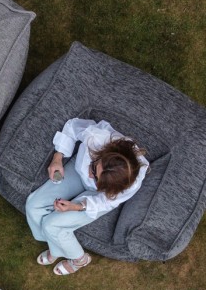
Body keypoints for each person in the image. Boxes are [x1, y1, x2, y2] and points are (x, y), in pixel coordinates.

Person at [26, 118, 150, 275]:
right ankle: (56, 249)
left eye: (97, 178)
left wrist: (77, 207)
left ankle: (79, 259)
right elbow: (72, 126)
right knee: (33, 205)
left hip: (98, 196)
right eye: (94, 166)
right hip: (77, 172)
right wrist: (57, 158)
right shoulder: (96, 136)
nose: (91, 175)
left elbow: (105, 202)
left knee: (52, 224)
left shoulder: (129, 185)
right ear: (102, 155)